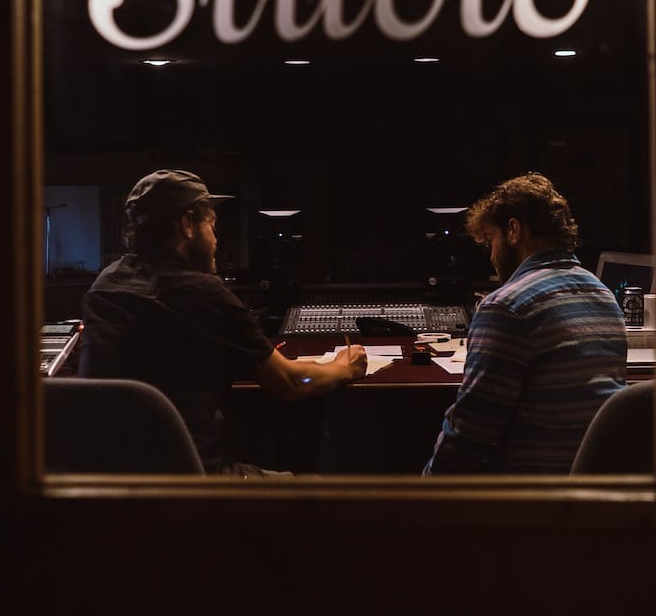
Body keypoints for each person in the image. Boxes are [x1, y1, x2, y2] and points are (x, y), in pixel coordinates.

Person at [78, 169, 368, 476]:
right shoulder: (202, 292)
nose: (216, 240)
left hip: (114, 485)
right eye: (211, 226)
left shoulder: (105, 285)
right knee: (322, 493)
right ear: (188, 225)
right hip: (196, 481)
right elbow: (291, 383)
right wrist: (344, 367)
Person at [423, 171, 628, 475]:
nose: (491, 256)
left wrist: (427, 492)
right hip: (590, 491)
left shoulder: (506, 306)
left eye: (491, 240)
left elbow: (470, 434)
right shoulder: (602, 294)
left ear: (514, 230)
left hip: (526, 496)